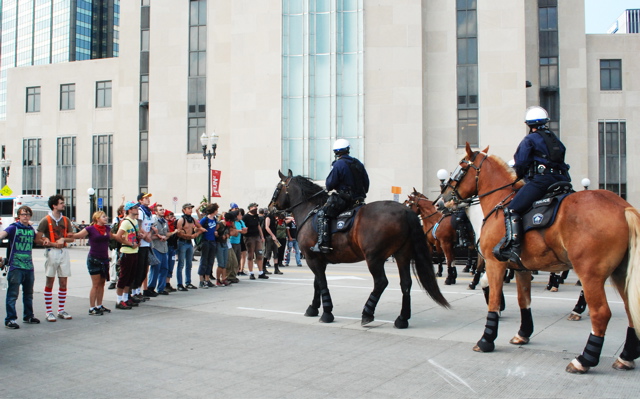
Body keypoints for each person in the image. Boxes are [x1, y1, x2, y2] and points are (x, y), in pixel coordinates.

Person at [493, 106, 571, 264]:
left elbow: (521, 163)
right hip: (562, 180)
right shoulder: (556, 139)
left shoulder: (529, 140)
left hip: (542, 181)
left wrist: (519, 176)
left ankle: (513, 248)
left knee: (512, 209)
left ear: (529, 124)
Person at [311, 138, 370, 253]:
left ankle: (323, 244)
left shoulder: (338, 164)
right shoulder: (358, 163)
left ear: (336, 152)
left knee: (323, 214)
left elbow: (329, 185)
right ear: (348, 150)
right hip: (359, 199)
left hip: (345, 199)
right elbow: (366, 184)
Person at [2, 206, 44, 329]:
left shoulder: (31, 229)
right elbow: (3, 234)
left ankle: (28, 315)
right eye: (23, 214)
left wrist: (46, 239)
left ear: (30, 216)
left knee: (28, 294)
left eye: (27, 214)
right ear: (18, 216)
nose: (25, 216)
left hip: (28, 266)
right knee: (12, 294)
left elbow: (38, 240)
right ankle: (10, 319)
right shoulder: (13, 228)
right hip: (15, 267)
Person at [36, 194, 76, 322]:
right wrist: (50, 242)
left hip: (63, 251)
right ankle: (48, 311)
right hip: (51, 251)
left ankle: (61, 309)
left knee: (63, 281)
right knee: (50, 281)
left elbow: (72, 238)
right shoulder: (45, 220)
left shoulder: (66, 220)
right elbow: (37, 239)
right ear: (54, 205)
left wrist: (64, 238)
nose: (63, 204)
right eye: (61, 203)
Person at [72, 211, 119, 315]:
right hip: (94, 259)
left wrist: (124, 238)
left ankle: (99, 305)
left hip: (104, 259)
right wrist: (65, 236)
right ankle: (92, 307)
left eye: (106, 216)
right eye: (103, 216)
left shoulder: (107, 229)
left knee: (102, 284)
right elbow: (77, 235)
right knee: (95, 284)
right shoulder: (90, 229)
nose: (106, 218)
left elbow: (113, 236)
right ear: (97, 218)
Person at [114, 202, 141, 309]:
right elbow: (118, 236)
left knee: (130, 277)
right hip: (127, 252)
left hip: (134, 251)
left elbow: (133, 234)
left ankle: (125, 298)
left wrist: (140, 236)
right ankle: (119, 300)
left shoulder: (134, 221)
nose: (137, 209)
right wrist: (130, 244)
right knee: (123, 277)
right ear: (129, 210)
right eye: (135, 208)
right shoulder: (126, 222)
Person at [176, 203, 206, 290]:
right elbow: (179, 233)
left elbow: (201, 227)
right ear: (184, 210)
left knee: (189, 263)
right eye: (188, 208)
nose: (190, 210)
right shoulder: (181, 220)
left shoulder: (193, 219)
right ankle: (179, 284)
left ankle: (188, 282)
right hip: (182, 242)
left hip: (189, 243)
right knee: (181, 264)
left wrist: (196, 234)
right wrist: (191, 236)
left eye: (191, 208)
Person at [133, 192, 154, 300]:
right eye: (145, 198)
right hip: (141, 244)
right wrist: (145, 236)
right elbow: (138, 225)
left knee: (144, 269)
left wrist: (149, 234)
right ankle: (134, 292)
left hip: (147, 243)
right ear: (140, 200)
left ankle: (138, 291)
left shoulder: (148, 212)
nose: (148, 200)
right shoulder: (140, 211)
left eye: (148, 198)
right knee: (139, 269)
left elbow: (149, 226)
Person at [242, 203, 268, 280]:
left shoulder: (256, 216)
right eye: (254, 207)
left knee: (259, 254)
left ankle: (261, 272)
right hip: (249, 237)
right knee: (250, 255)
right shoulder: (246, 217)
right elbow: (243, 227)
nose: (255, 208)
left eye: (256, 207)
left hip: (257, 237)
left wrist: (262, 236)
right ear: (250, 208)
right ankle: (251, 273)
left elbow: (258, 226)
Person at [198, 203, 219, 288]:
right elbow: (197, 227)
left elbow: (215, 228)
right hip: (205, 241)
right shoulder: (205, 219)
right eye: (216, 210)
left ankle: (207, 279)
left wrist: (216, 233)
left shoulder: (214, 219)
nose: (217, 211)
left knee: (211, 261)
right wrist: (202, 229)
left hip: (213, 241)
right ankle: (201, 281)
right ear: (214, 211)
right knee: (204, 260)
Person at [230, 210, 247, 277]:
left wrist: (242, 231)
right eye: (239, 215)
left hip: (238, 242)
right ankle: (231, 274)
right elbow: (232, 231)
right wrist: (240, 230)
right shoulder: (233, 222)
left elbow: (245, 231)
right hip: (232, 242)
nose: (241, 216)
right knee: (232, 259)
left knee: (238, 259)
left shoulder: (241, 222)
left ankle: (235, 273)